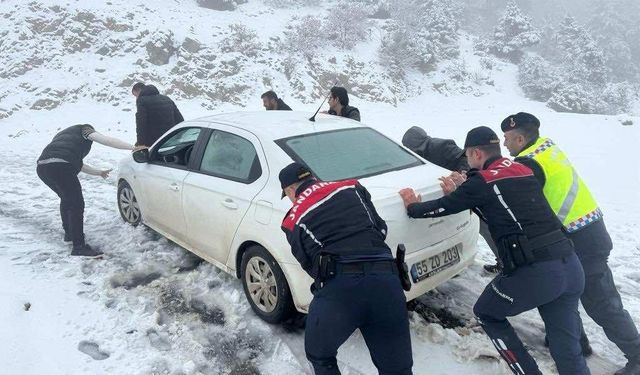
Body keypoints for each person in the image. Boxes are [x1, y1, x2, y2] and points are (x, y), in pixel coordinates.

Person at [399, 126, 588, 375]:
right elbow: (501, 209)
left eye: (468, 155)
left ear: (476, 153)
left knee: (487, 313)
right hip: (571, 267)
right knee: (566, 346)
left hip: (539, 271)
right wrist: (464, 195)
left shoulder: (483, 180)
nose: (467, 161)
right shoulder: (522, 169)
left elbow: (441, 207)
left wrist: (413, 206)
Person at [501, 112, 640, 374]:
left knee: (601, 303)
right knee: (566, 292)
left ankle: (637, 354)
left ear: (520, 138)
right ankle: (576, 340)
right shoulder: (547, 148)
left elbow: (518, 203)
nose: (505, 143)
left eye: (507, 138)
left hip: (582, 240)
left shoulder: (530, 163)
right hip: (587, 231)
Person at [279, 162, 412, 375]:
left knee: (319, 354)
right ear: (312, 177)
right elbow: (380, 228)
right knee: (397, 368)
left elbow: (309, 264)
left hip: (341, 290)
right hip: (386, 280)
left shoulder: (292, 219)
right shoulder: (351, 186)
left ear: (291, 190)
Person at [401, 126, 502, 273]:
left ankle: (503, 261)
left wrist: (463, 175)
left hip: (469, 191)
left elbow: (463, 158)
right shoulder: (419, 153)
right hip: (459, 191)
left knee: (486, 226)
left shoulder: (440, 146)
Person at [37, 124, 135, 258]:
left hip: (42, 168)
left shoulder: (61, 138)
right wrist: (134, 148)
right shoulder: (84, 129)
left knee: (67, 199)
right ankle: (79, 247)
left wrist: (99, 172)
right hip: (61, 167)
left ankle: (69, 235)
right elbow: (106, 140)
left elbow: (75, 162)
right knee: (77, 204)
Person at [131, 82, 184, 147]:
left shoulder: (142, 101)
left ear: (139, 91)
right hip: (170, 140)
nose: (136, 98)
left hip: (154, 143)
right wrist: (179, 138)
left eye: (135, 95)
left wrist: (140, 144)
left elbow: (141, 124)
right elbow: (180, 120)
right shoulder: (167, 98)